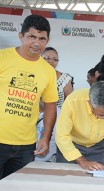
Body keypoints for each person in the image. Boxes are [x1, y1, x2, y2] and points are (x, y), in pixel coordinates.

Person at [0, 14, 58, 179]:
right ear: (21, 36)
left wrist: (45, 138)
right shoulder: (2, 57)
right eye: (32, 36)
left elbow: (50, 106)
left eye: (42, 38)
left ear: (47, 40)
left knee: (18, 187)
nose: (37, 43)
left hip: (26, 145)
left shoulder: (48, 71)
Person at [55, 81, 104, 171]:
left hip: (97, 146)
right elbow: (62, 136)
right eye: (102, 115)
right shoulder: (73, 101)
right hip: (70, 145)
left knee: (97, 180)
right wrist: (83, 162)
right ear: (90, 103)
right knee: (67, 180)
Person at [35, 47, 74, 162]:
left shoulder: (64, 78)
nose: (51, 61)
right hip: (34, 117)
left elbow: (70, 102)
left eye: (55, 59)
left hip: (57, 120)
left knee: (51, 150)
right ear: (40, 58)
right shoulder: (33, 74)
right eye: (47, 58)